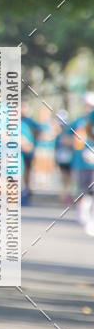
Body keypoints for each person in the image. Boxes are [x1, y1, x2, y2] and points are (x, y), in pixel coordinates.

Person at [70, 94, 94, 235]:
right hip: (81, 163)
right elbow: (69, 139)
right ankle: (84, 214)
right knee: (83, 190)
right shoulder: (79, 121)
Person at [20, 100, 40, 205]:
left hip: (27, 153)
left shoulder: (29, 122)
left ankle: (26, 192)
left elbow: (39, 130)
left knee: (27, 172)